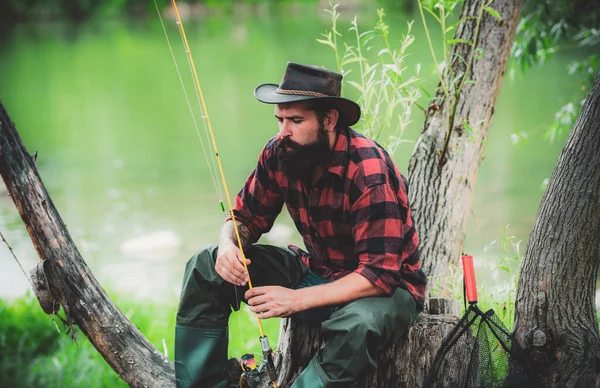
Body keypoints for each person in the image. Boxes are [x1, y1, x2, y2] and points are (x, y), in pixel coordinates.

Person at [174, 62, 427, 388]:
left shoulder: (369, 169)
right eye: (280, 120)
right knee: (205, 265)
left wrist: (294, 300)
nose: (284, 131)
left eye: (296, 121)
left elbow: (380, 275)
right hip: (317, 270)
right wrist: (228, 245)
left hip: (386, 292)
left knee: (358, 324)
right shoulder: (281, 151)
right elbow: (244, 217)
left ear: (329, 120)